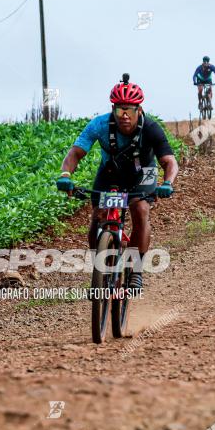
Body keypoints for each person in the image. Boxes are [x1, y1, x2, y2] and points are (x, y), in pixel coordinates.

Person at [56, 73, 179, 291]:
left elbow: (169, 162)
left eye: (129, 109)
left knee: (140, 209)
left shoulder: (151, 128)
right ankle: (99, 270)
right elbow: (74, 153)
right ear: (112, 109)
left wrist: (167, 183)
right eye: (119, 108)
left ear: (139, 110)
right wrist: (65, 176)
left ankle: (136, 270)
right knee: (98, 217)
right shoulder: (99, 124)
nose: (124, 115)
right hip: (111, 172)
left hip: (144, 172)